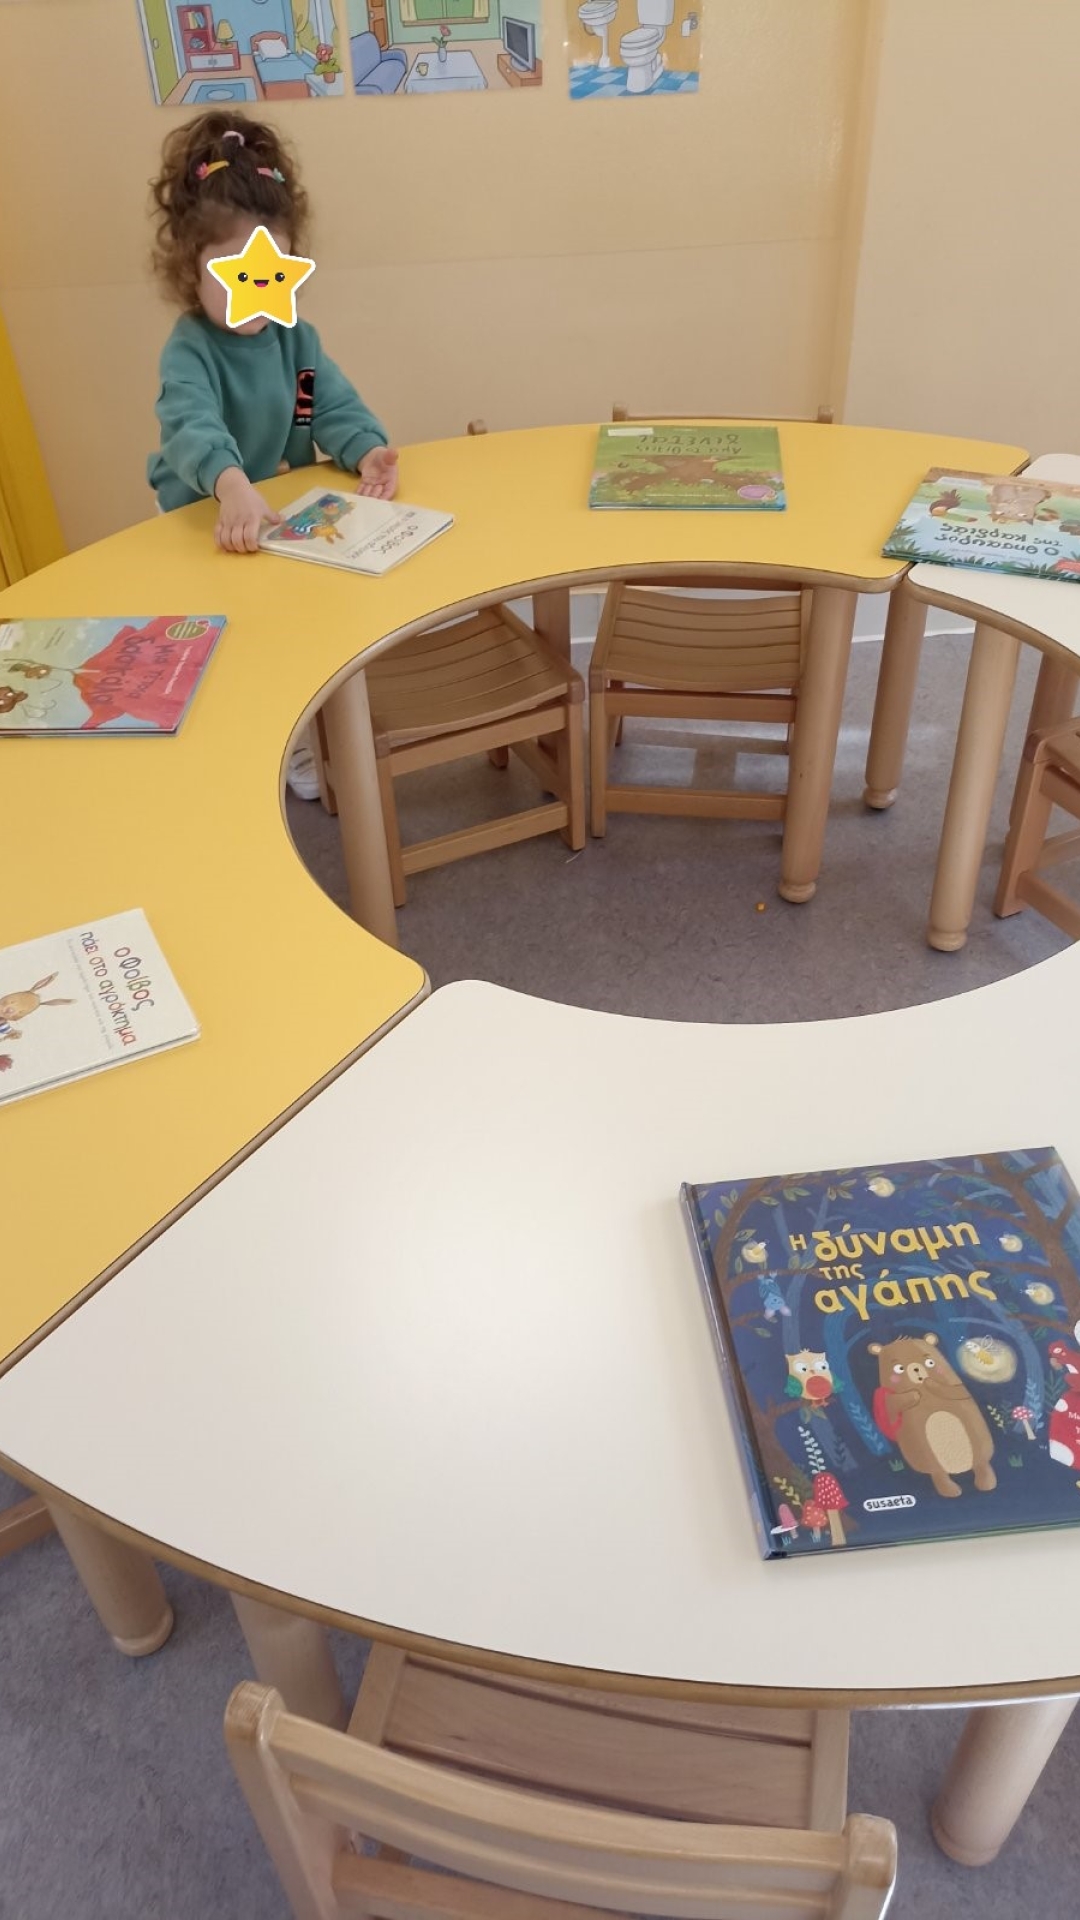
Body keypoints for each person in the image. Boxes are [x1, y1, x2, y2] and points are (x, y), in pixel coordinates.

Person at [147, 111, 398, 797]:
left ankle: (303, 732)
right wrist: (231, 484)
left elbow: (322, 408)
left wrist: (366, 450)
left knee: (300, 625)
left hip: (277, 510)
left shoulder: (296, 343)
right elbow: (192, 426)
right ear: (190, 269)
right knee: (232, 643)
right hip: (204, 509)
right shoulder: (191, 350)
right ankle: (250, 745)